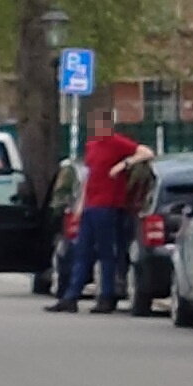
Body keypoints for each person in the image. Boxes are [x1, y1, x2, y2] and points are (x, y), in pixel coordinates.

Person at [53, 118, 149, 313]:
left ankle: (106, 296)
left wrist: (124, 164)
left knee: (106, 253)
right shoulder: (92, 146)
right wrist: (81, 205)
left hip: (108, 205)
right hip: (91, 205)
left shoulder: (117, 142)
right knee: (82, 252)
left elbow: (146, 152)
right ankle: (71, 297)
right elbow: (90, 177)